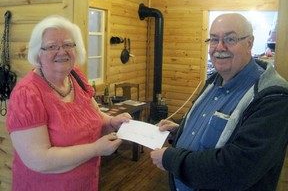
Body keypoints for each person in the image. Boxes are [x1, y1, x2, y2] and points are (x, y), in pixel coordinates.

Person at [150, 13, 288, 191]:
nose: (219, 47)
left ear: (250, 43)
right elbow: (216, 130)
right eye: (214, 39)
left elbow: (237, 169)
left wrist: (170, 159)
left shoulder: (273, 97)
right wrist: (180, 131)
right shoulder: (214, 80)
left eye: (230, 39)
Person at [6, 15, 131, 191]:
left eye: (67, 44)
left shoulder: (75, 76)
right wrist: (95, 149)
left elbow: (93, 114)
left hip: (85, 183)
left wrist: (111, 121)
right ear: (38, 53)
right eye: (51, 46)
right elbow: (39, 160)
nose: (62, 51)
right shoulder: (27, 94)